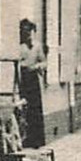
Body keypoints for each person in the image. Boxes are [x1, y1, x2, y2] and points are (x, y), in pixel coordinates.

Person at [18, 19, 47, 148]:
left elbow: (44, 62)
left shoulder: (37, 46)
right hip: (22, 78)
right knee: (24, 107)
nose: (28, 35)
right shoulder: (19, 47)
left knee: (35, 108)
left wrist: (37, 66)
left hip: (33, 78)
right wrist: (24, 65)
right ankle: (25, 138)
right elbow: (17, 62)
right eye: (25, 32)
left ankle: (37, 139)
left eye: (30, 31)